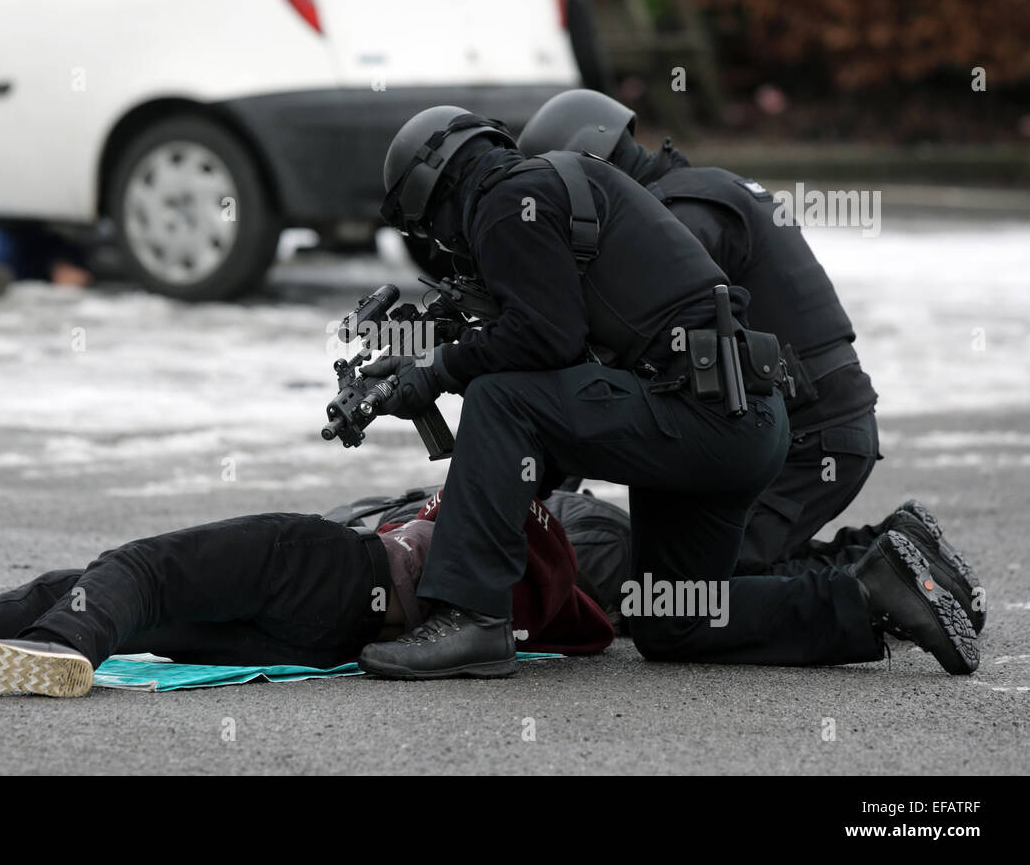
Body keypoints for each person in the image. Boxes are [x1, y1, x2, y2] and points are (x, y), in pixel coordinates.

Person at [354, 106, 979, 680]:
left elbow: (542, 341)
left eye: (428, 231)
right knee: (670, 617)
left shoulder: (501, 198)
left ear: (435, 189)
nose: (441, 246)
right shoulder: (560, 185)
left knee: (498, 396)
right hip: (737, 422)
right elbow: (564, 356)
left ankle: (472, 620)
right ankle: (872, 589)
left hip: (698, 415)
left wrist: (437, 375)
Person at [517, 89, 983, 632]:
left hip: (810, 440)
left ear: (586, 169)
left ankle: (886, 578)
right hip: (822, 424)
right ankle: (893, 552)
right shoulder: (701, 190)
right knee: (700, 578)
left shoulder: (677, 218)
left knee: (688, 590)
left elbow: (638, 358)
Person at [0, 494, 613, 697]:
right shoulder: (558, 589)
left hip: (334, 566)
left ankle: (63, 651)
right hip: (331, 638)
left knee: (138, 570)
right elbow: (590, 634)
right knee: (77, 587)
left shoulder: (523, 513)